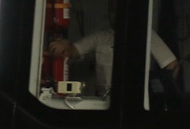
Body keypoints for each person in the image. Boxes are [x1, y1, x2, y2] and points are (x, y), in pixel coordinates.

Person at [47, 27, 178, 95]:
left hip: (136, 101)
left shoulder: (147, 34)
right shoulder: (101, 37)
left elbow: (172, 64)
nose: (115, 14)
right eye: (112, 10)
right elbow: (74, 51)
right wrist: (65, 45)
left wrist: (158, 94)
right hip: (106, 101)